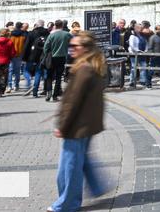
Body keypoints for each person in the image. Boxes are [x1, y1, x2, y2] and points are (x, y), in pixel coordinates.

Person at [49, 31, 108, 212]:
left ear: (86, 49)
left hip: (77, 126)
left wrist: (62, 126)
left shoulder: (84, 69)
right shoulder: (93, 65)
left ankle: (67, 204)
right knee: (80, 160)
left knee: (69, 167)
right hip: (87, 124)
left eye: (75, 46)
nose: (71, 49)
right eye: (70, 46)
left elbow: (73, 102)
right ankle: (97, 187)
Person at [44, 20, 71, 102]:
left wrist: (46, 55)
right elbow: (73, 43)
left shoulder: (51, 35)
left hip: (51, 57)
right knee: (59, 77)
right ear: (62, 25)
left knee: (49, 76)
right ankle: (55, 95)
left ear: (55, 25)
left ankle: (49, 91)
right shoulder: (67, 34)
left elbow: (46, 47)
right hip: (62, 57)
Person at [23, 20, 50, 97]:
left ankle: (29, 82)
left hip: (31, 56)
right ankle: (35, 91)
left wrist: (24, 58)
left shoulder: (31, 33)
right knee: (38, 72)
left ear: (36, 25)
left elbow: (27, 46)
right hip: (42, 55)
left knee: (26, 70)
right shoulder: (47, 33)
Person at [8, 22, 27, 93]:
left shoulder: (11, 34)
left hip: (11, 54)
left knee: (10, 70)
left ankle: (9, 86)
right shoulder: (24, 34)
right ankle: (16, 85)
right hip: (19, 54)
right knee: (17, 71)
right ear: (21, 26)